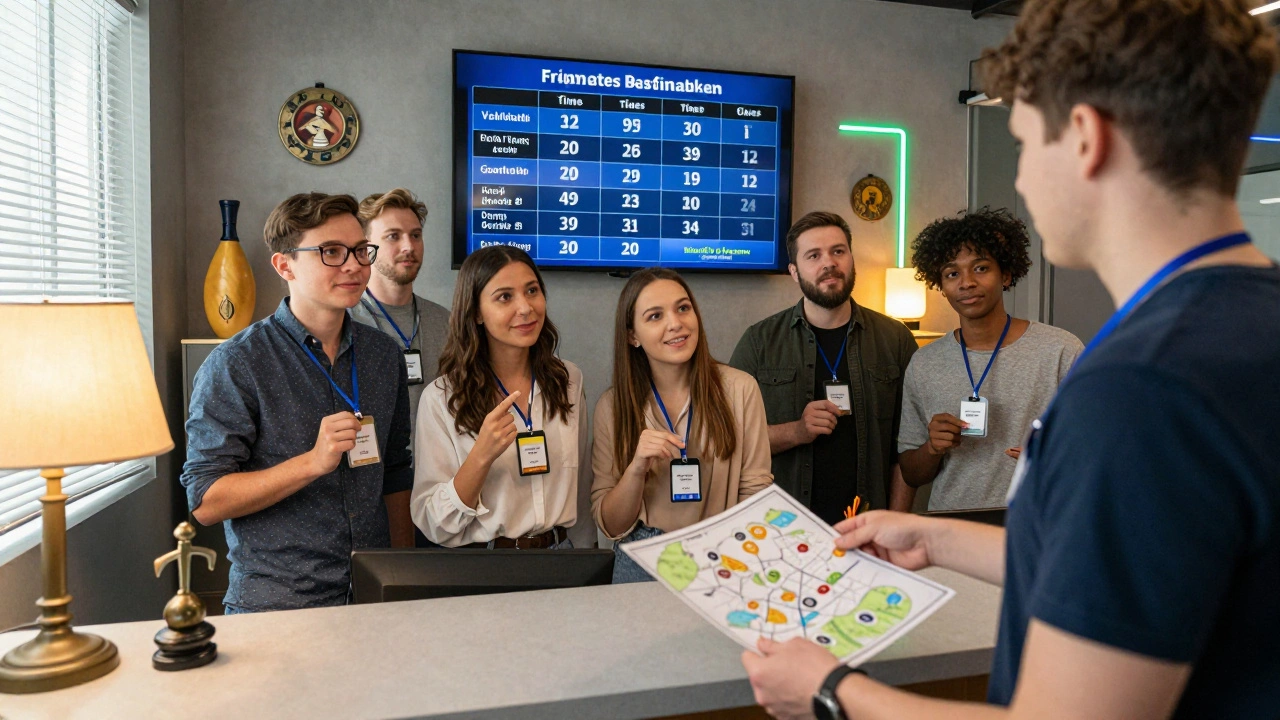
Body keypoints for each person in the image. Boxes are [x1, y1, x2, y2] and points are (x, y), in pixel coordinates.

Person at [741, 1, 1280, 718]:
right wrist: (933, 536)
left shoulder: (1134, 392)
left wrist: (832, 691)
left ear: (1085, 139)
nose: (1023, 182)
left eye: (1024, 143)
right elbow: (1137, 575)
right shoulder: (1244, 326)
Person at [181, 193, 415, 613]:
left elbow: (395, 471)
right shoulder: (237, 363)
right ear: (284, 265)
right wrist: (312, 462)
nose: (353, 265)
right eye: (330, 252)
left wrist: (403, 577)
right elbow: (205, 501)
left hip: (375, 597)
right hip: (279, 603)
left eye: (361, 250)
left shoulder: (383, 355)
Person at [729, 212, 916, 524]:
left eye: (838, 251)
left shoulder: (895, 339)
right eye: (813, 255)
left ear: (851, 260)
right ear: (794, 271)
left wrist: (896, 525)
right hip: (781, 528)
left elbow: (908, 447)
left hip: (870, 524)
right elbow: (728, 440)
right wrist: (796, 431)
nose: (829, 263)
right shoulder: (759, 342)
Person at [593, 268, 773, 583]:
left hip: (723, 551)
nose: (675, 323)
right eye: (654, 316)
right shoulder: (612, 406)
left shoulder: (740, 389)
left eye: (683, 308)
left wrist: (734, 559)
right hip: (642, 558)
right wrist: (636, 469)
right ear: (632, 336)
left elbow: (755, 492)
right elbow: (611, 525)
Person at [896, 208, 1082, 511]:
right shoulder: (924, 364)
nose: (966, 282)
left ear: (1006, 274)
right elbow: (911, 473)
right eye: (952, 273)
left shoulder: (1060, 350)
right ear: (940, 286)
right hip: (952, 528)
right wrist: (932, 448)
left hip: (1038, 522)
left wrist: (1053, 458)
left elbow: (1097, 452)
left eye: (980, 268)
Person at [410, 245, 593, 549]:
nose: (525, 308)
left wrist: (591, 560)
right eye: (505, 297)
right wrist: (481, 455)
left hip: (564, 560)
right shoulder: (442, 399)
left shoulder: (569, 380)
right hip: (489, 568)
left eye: (532, 291)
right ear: (477, 313)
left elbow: (582, 488)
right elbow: (433, 522)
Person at [349, 188, 450, 459]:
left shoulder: (446, 322)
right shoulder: (345, 322)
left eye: (415, 235)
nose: (409, 246)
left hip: (437, 478)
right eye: (393, 236)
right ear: (365, 247)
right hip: (371, 478)